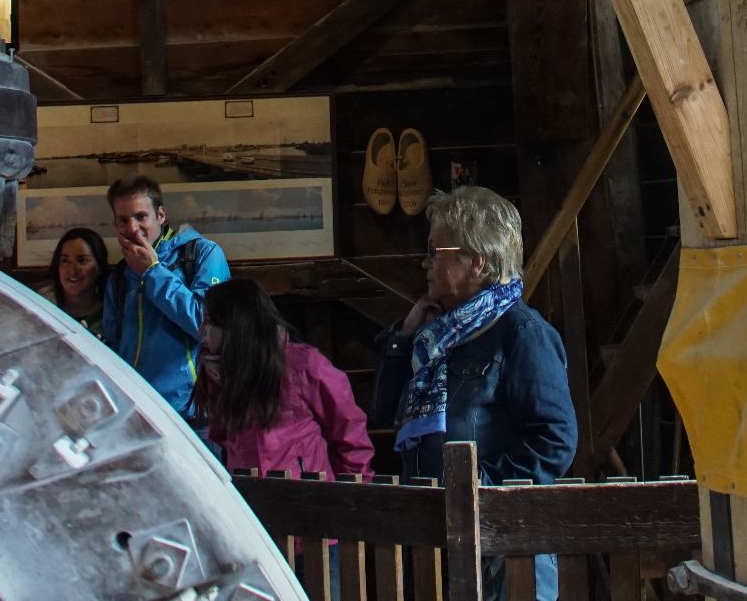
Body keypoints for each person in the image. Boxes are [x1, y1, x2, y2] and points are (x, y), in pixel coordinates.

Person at [373, 186, 576, 601]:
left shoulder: (522, 334)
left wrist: (481, 485)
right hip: (438, 543)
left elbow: (554, 440)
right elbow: (381, 412)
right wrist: (405, 337)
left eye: (436, 251)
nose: (425, 263)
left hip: (502, 551)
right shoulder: (435, 337)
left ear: (477, 261)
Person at [193, 278, 373, 480]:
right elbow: (222, 436)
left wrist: (352, 496)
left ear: (236, 324)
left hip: (307, 497)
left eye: (208, 321)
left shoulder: (304, 365)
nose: (201, 331)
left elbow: (349, 434)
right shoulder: (216, 374)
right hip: (250, 496)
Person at [103, 175, 230, 414]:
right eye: (123, 220)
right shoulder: (119, 276)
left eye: (141, 217)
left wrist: (152, 272)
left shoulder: (203, 254)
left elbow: (206, 326)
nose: (132, 229)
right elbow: (113, 344)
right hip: (135, 411)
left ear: (160, 215)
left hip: (193, 411)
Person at [45, 226, 108, 325]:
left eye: (82, 260)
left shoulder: (112, 312)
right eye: (65, 261)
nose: (72, 270)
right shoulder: (43, 306)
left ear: (99, 266)